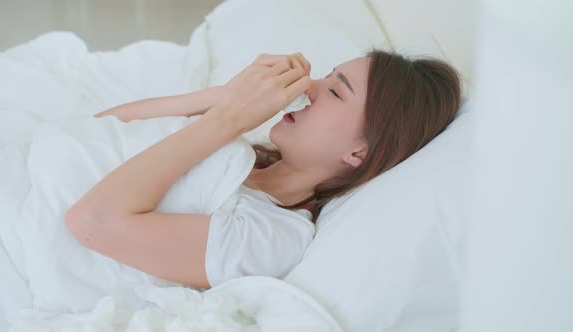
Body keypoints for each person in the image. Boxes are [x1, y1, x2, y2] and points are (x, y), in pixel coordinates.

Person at [66, 49, 461, 289]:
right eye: (323, 76)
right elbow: (100, 127)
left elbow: (91, 221)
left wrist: (228, 118)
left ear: (360, 152)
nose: (309, 88)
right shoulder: (244, 154)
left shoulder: (274, 236)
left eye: (336, 91)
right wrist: (225, 98)